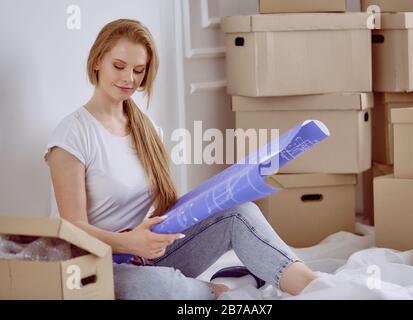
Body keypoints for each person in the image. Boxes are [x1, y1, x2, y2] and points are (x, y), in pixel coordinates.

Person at [44, 19, 317, 300]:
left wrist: (213, 200)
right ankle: (227, 290)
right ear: (98, 60)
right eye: (119, 66)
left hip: (139, 255)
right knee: (156, 287)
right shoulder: (72, 134)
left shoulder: (147, 128)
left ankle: (316, 287)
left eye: (139, 70)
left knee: (240, 212)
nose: (129, 79)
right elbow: (72, 228)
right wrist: (129, 243)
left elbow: (162, 207)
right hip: (89, 265)